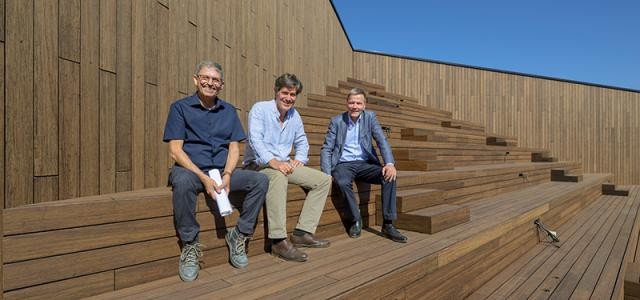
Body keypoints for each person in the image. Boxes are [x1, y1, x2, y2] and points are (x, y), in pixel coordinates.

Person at [163, 60, 268, 281]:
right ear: (196, 79)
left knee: (260, 180)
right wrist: (202, 177)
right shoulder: (179, 108)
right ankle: (190, 245)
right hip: (190, 170)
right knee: (181, 182)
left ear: (221, 85)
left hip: (221, 170)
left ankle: (239, 235)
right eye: (206, 78)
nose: (210, 83)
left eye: (215, 80)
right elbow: (175, 151)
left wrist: (228, 174)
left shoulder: (229, 111)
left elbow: (234, 147)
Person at [244, 73, 332, 262]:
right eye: (285, 93)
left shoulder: (294, 115)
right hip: (258, 165)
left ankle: (302, 232)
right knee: (277, 176)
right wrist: (273, 162)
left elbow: (302, 141)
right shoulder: (260, 109)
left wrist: (298, 159)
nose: (289, 98)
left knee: (323, 180)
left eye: (293, 95)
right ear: (276, 92)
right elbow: (254, 140)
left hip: (284, 164)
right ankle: (278, 241)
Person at [320, 87, 408, 243]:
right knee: (341, 182)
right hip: (343, 164)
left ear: (364, 105)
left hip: (365, 163)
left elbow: (381, 140)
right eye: (352, 102)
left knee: (389, 176)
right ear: (347, 104)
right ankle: (356, 219)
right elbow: (327, 148)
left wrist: (389, 163)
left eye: (358, 103)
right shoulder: (337, 121)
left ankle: (388, 224)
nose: (355, 106)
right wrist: (327, 172)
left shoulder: (370, 117)